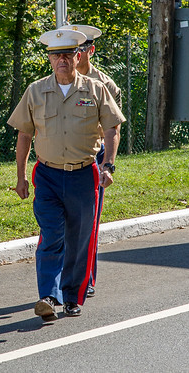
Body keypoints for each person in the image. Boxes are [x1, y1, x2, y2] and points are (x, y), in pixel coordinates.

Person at [7, 29, 125, 321]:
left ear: (78, 56)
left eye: (68, 55)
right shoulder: (35, 91)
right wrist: (21, 176)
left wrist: (107, 165)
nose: (62, 60)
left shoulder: (96, 90)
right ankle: (48, 294)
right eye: (56, 55)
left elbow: (112, 129)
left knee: (79, 238)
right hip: (46, 175)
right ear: (49, 59)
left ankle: (72, 296)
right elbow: (24, 134)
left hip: (83, 175)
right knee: (51, 234)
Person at [60, 24, 122, 298]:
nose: (74, 54)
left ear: (90, 50)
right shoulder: (58, 78)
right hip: (61, 157)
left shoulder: (106, 85)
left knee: (88, 221)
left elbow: (112, 128)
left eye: (80, 49)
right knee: (58, 223)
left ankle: (88, 276)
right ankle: (60, 278)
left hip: (92, 155)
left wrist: (107, 163)